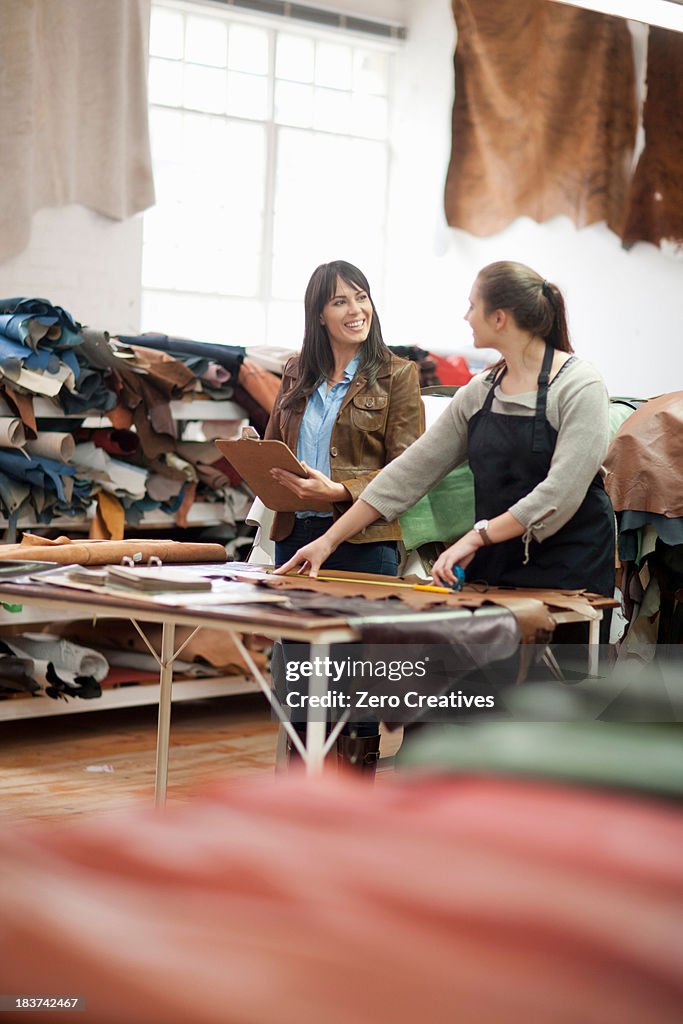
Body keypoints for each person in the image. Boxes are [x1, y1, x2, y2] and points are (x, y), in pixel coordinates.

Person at [276, 260, 616, 608]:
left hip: (571, 566)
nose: (466, 316)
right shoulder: (480, 392)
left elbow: (560, 492)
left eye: (472, 306)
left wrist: (476, 537)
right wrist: (328, 541)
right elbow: (407, 475)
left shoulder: (579, 385)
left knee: (564, 663)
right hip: (496, 564)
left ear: (499, 319)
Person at [265, 259, 424, 772]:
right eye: (340, 301)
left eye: (362, 297)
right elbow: (274, 445)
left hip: (364, 542)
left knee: (353, 683)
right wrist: (257, 459)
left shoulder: (398, 375)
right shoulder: (296, 371)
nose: (356, 310)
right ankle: (301, 794)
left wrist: (340, 489)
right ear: (319, 315)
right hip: (295, 534)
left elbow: (408, 468)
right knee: (300, 676)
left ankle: (351, 798)